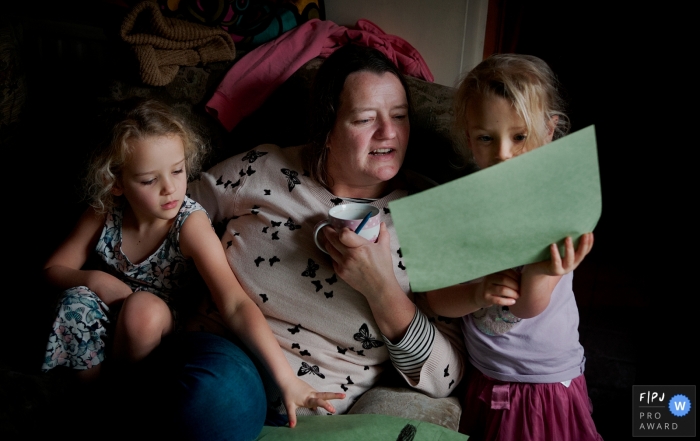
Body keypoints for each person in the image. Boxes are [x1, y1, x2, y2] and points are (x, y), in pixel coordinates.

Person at [175, 43, 466, 432]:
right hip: (225, 360)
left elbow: (446, 375)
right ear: (326, 129)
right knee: (220, 398)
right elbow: (168, 207)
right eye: (365, 119)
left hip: (320, 407)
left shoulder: (429, 218)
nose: (389, 132)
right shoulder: (264, 169)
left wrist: (380, 289)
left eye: (399, 116)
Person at [40, 99, 342, 435]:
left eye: (177, 170)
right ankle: (93, 404)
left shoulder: (189, 223)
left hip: (163, 331)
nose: (169, 188)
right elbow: (53, 269)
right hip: (109, 318)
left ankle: (125, 408)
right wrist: (95, 279)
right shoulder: (106, 210)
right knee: (75, 301)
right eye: (147, 180)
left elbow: (235, 303)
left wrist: (287, 380)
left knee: (143, 309)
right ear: (117, 182)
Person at [425, 54, 601, 441]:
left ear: (550, 132)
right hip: (484, 375)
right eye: (487, 138)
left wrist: (543, 272)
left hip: (540, 384)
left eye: (519, 136)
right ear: (470, 139)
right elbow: (432, 299)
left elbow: (527, 307)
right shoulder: (457, 207)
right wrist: (475, 292)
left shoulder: (556, 208)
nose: (503, 153)